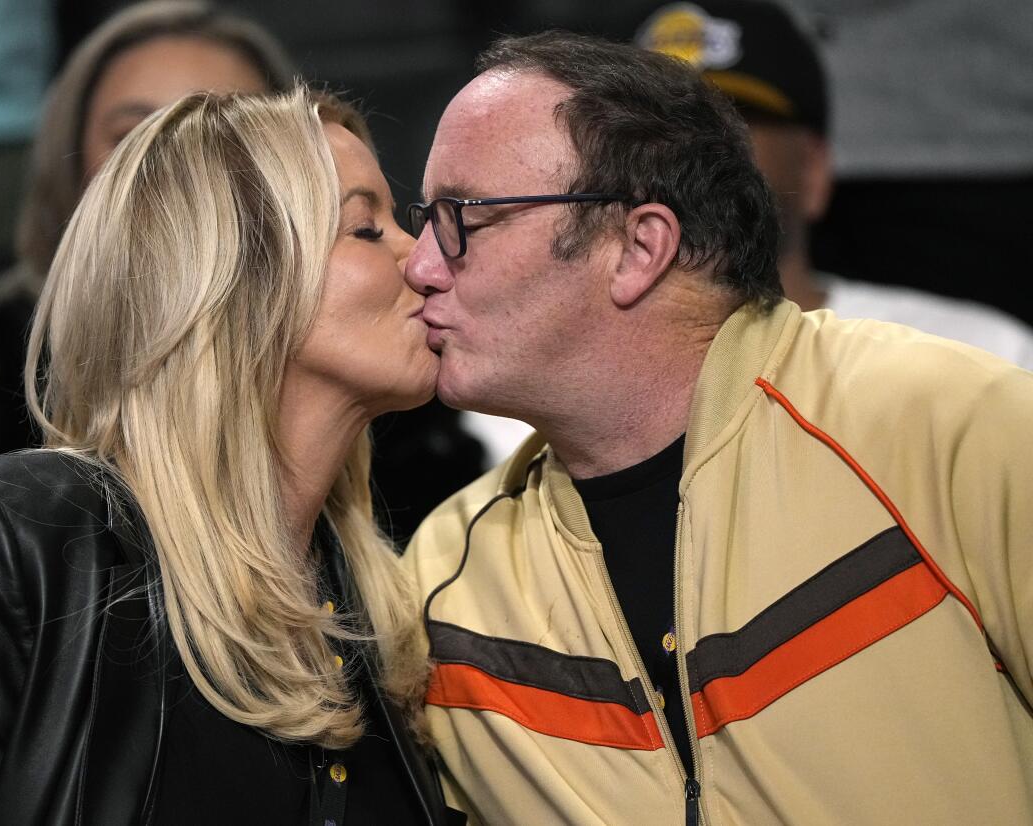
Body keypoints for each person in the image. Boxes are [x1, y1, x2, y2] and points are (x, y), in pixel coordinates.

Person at [402, 31, 1033, 825]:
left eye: (466, 216)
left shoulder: (940, 424)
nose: (420, 262)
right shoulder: (449, 581)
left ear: (639, 247)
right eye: (426, 217)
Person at [0, 88, 462, 825]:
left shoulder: (379, 599)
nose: (425, 258)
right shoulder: (17, 536)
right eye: (365, 227)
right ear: (230, 273)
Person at [0, 0, 297, 648]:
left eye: (217, 138)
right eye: (132, 133)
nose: (167, 168)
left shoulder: (361, 366)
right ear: (72, 168)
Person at [633, 0, 1033, 370]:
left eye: (731, 119)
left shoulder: (974, 356)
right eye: (648, 127)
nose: (687, 147)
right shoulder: (587, 372)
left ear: (813, 170)